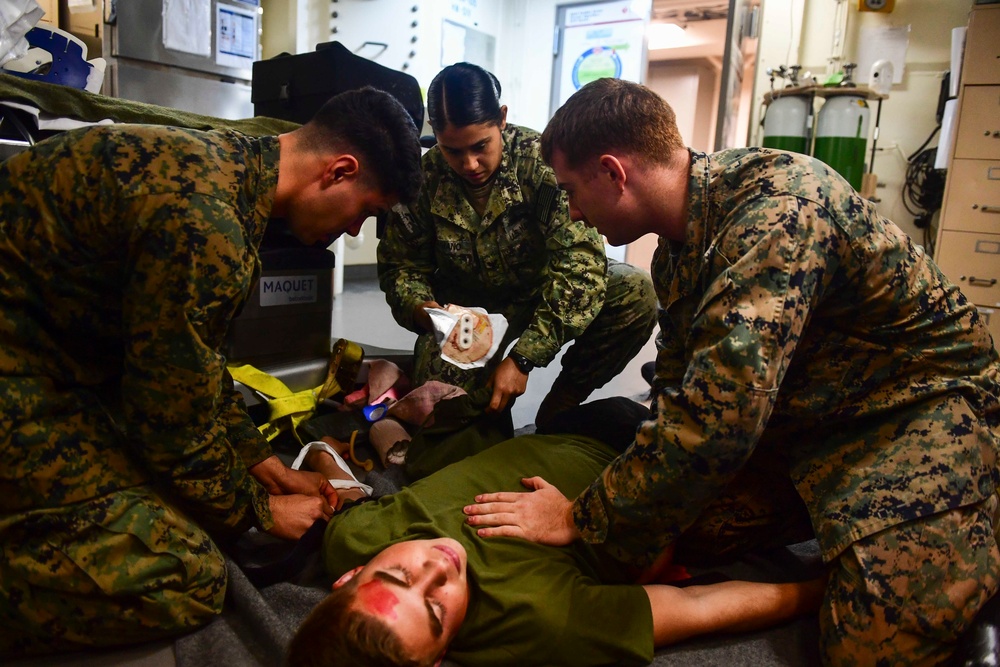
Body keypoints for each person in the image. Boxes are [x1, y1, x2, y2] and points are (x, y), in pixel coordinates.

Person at [463, 78, 1000, 666]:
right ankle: (859, 528)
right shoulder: (677, 246)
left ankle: (971, 536)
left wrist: (582, 514)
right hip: (809, 417)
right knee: (677, 528)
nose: (571, 211)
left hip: (914, 409)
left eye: (571, 191)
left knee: (869, 648)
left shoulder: (777, 213)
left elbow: (718, 419)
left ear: (614, 173)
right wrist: (626, 510)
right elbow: (675, 390)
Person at [0, 87, 423, 656]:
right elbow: (170, 426)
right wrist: (256, 508)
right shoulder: (208, 226)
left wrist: (261, 463)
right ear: (339, 170)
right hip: (24, 374)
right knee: (191, 574)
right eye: (364, 212)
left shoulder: (224, 166)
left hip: (52, 351)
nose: (352, 233)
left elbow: (193, 367)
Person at [286, 399, 827, 667]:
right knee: (815, 467)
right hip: (656, 476)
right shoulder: (537, 623)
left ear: (351, 576)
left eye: (399, 573)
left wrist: (323, 462)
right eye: (435, 609)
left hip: (581, 422)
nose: (439, 565)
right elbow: (699, 608)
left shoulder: (347, 541)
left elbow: (338, 481)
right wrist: (822, 590)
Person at [377, 63, 657, 428]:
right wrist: (426, 311)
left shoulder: (540, 165)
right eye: (452, 151)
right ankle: (487, 419)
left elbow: (580, 265)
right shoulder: (424, 180)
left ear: (502, 120)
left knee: (634, 292)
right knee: (443, 412)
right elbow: (401, 268)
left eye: (480, 146)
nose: (470, 164)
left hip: (543, 290)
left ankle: (562, 403)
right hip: (468, 315)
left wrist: (523, 359)